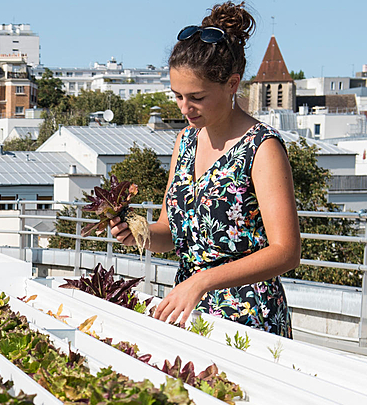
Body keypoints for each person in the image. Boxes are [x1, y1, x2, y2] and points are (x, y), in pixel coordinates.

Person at [110, 2, 300, 337]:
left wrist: (203, 280)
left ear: (232, 84)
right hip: (188, 314)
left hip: (249, 322)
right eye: (177, 96)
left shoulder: (262, 147)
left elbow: (286, 251)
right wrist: (138, 233)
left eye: (196, 97)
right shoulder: (185, 141)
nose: (185, 108)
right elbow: (171, 234)